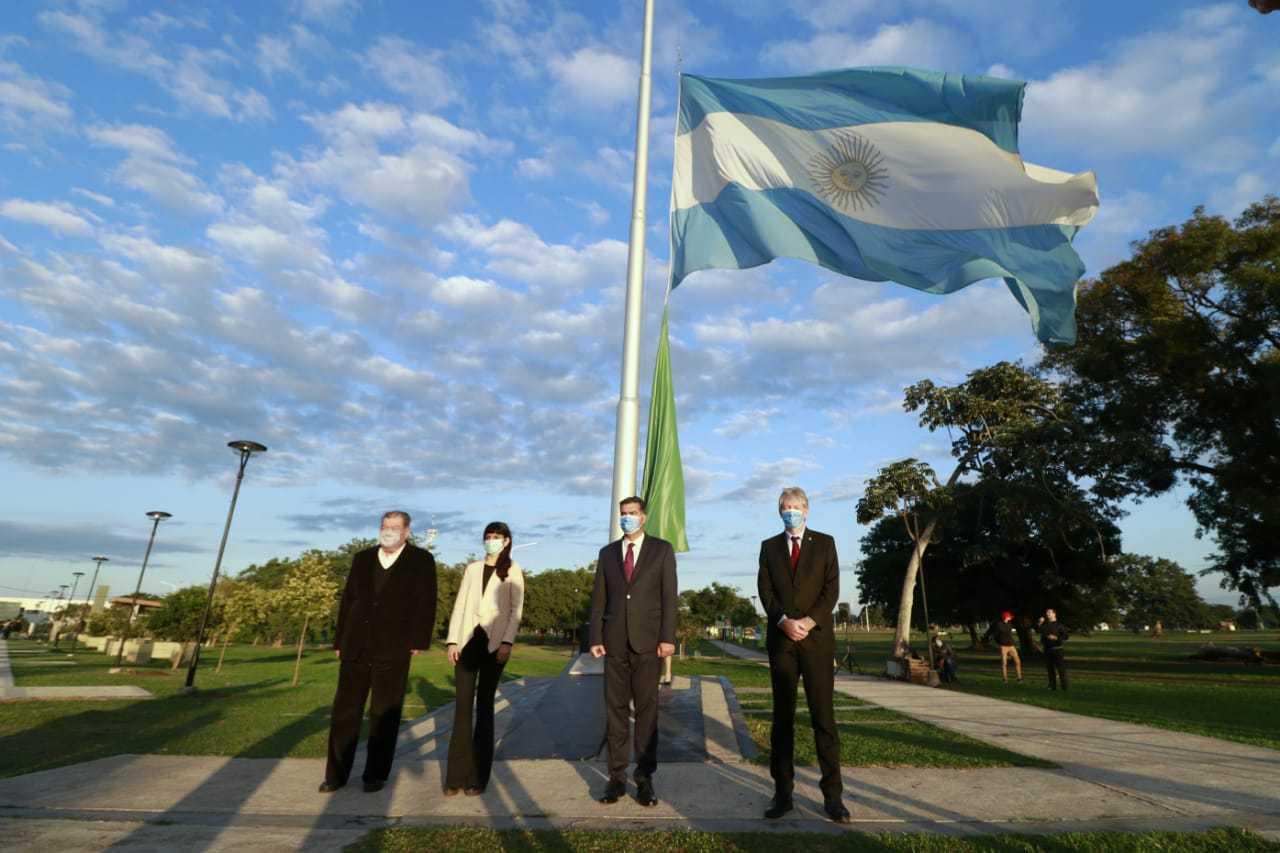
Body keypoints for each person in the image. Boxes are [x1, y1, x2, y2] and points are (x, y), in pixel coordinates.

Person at [321, 511, 437, 794]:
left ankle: (375, 775)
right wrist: (340, 641)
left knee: (384, 713)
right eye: (385, 526)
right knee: (345, 712)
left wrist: (418, 640)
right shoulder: (362, 558)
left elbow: (426, 602)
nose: (389, 530)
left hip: (394, 647)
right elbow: (348, 600)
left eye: (395, 527)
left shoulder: (421, 559)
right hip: (355, 646)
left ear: (406, 531)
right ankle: (335, 775)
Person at [757, 487, 849, 823]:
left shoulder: (825, 543)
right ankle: (782, 794)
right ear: (778, 511)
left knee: (823, 718)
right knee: (782, 720)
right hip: (782, 643)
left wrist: (808, 622)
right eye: (785, 506)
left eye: (795, 506)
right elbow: (765, 590)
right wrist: (783, 621)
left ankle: (833, 797)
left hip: (816, 642)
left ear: (806, 510)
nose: (790, 511)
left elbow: (831, 590)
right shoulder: (769, 547)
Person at [588, 496, 678, 807]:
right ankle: (616, 778)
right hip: (614, 644)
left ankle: (644, 778)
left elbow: (669, 597)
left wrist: (667, 638)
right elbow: (599, 598)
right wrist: (595, 636)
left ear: (644, 517)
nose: (627, 518)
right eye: (623, 513)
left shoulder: (661, 550)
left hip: (649, 644)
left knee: (646, 712)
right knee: (615, 712)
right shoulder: (607, 553)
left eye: (633, 513)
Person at [443, 522, 525, 796]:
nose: (491, 541)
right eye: (488, 537)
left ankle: (477, 777)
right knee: (462, 708)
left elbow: (515, 611)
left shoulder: (513, 570)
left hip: (495, 645)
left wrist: (507, 642)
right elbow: (460, 605)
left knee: (485, 707)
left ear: (506, 541)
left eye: (496, 537)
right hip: (468, 642)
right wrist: (452, 640)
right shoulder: (472, 569)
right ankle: (455, 776)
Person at [983, 611, 1023, 684]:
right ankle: (1005, 679)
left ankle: (1019, 678)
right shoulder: (998, 625)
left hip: (1011, 645)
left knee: (1018, 661)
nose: (1010, 618)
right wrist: (996, 642)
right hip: (1003, 646)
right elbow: (994, 634)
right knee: (1004, 663)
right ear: (1006, 617)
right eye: (1009, 617)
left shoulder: (1009, 624)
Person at [1038, 608, 1070, 691]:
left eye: (1049, 612)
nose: (1047, 614)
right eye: (1047, 612)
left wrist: (1056, 638)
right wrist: (1040, 623)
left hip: (1057, 649)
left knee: (1060, 669)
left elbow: (1066, 636)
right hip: (1047, 649)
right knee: (1050, 668)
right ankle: (1052, 686)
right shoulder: (1045, 625)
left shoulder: (1059, 625)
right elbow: (1041, 631)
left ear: (1054, 614)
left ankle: (1064, 687)